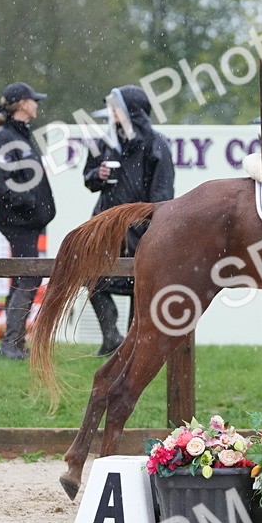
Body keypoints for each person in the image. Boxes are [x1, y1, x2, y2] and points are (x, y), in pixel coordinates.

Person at [82, 85, 175, 356]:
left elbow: (163, 193)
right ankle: (111, 336)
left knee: (141, 284)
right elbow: (88, 180)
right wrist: (95, 175)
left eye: (115, 107)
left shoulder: (157, 144)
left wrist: (147, 223)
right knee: (90, 276)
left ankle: (134, 345)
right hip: (104, 226)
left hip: (141, 227)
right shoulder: (103, 142)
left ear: (131, 111)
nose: (111, 113)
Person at [0, 81, 56, 360]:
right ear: (22, 105)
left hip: (26, 221)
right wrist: (29, 203)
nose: (37, 104)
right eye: (33, 100)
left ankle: (13, 342)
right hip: (18, 221)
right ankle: (11, 344)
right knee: (29, 276)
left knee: (25, 276)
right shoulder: (5, 137)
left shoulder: (17, 135)